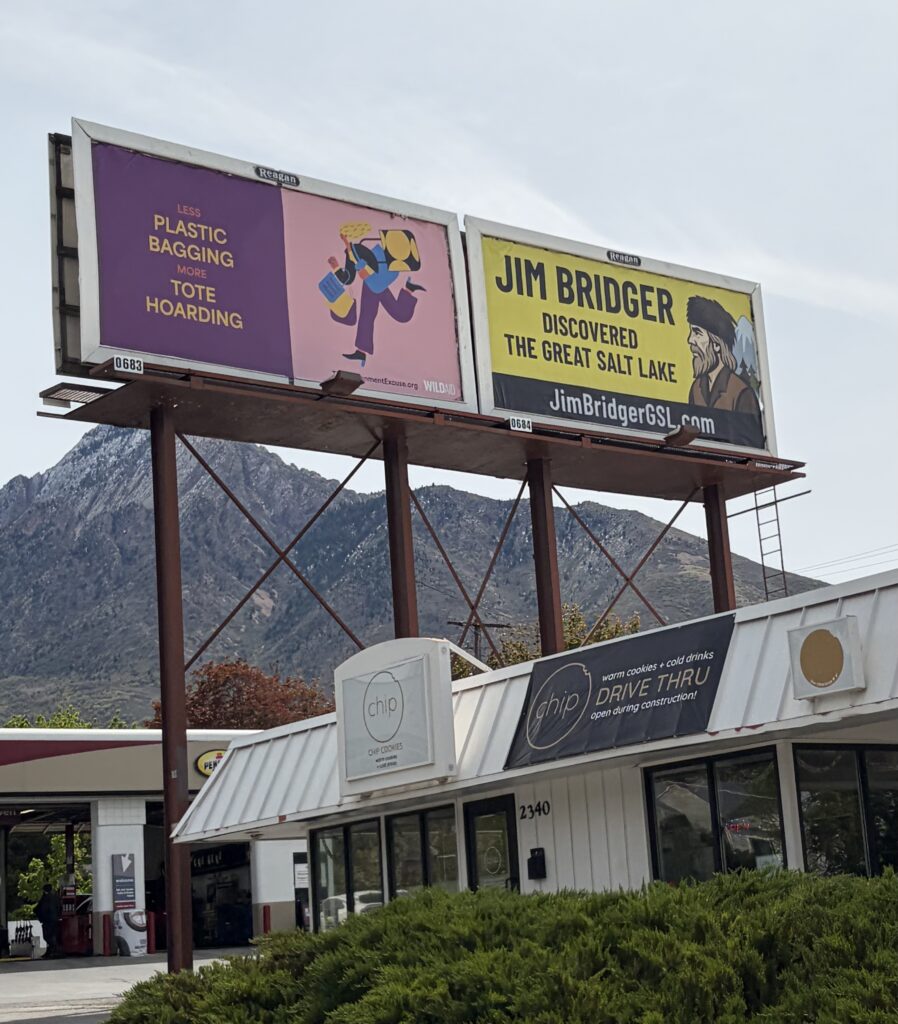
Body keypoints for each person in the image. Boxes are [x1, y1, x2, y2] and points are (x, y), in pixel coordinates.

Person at [326, 223, 425, 367]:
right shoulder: (364, 255)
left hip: (379, 276)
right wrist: (338, 265)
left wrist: (355, 267)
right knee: (376, 313)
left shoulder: (381, 261)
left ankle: (362, 351)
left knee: (373, 312)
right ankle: (408, 290)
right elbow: (350, 275)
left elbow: (360, 275)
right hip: (376, 277)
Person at [685, 296, 761, 417]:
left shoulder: (741, 393)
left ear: (717, 345)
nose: (690, 340)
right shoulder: (696, 389)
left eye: (697, 333)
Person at [35, 883, 62, 958]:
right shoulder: (56, 897)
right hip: (55, 919)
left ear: (44, 890)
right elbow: (59, 907)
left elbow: (41, 908)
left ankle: (52, 950)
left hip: (47, 920)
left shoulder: (45, 898)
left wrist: (40, 916)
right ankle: (52, 951)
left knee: (47, 936)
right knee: (53, 935)